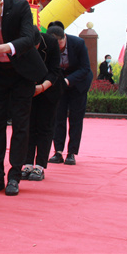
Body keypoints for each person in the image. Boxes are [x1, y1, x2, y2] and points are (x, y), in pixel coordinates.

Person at [0, 0, 47, 196]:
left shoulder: (20, 7)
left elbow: (28, 38)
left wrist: (4, 48)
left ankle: (14, 176)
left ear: (0, 6)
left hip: (22, 73)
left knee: (20, 125)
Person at [47, 24, 93, 166]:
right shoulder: (48, 46)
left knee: (75, 119)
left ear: (64, 38)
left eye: (60, 44)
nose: (58, 48)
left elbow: (85, 68)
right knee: (58, 118)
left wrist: (68, 80)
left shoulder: (78, 44)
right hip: (60, 86)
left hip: (78, 84)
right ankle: (58, 151)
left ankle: (72, 153)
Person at [23, 29, 63, 181]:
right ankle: (27, 164)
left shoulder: (51, 43)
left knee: (44, 127)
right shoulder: (22, 44)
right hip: (29, 90)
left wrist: (42, 87)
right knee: (28, 127)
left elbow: (55, 71)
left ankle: (40, 166)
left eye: (36, 46)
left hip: (49, 90)